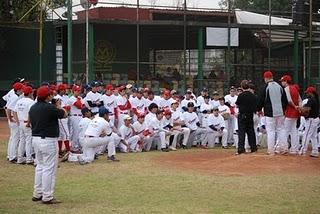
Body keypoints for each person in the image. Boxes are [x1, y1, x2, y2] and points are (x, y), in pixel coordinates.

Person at [29, 86, 67, 204]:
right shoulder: (50, 107)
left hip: (35, 138)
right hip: (48, 140)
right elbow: (64, 114)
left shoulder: (33, 107)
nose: (52, 96)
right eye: (50, 94)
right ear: (48, 96)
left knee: (40, 166)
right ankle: (47, 196)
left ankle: (37, 193)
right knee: (49, 169)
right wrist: (59, 105)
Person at [258, 71, 288, 155]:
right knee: (281, 129)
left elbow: (261, 99)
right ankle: (284, 148)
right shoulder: (279, 86)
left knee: (271, 131)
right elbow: (285, 100)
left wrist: (259, 109)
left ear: (266, 78)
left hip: (270, 113)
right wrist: (283, 109)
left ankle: (271, 150)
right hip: (280, 112)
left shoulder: (265, 87)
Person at [280, 75, 302, 155]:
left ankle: (284, 148)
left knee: (285, 130)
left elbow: (289, 100)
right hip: (296, 113)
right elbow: (300, 100)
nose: (282, 82)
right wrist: (299, 108)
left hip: (289, 112)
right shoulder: (295, 88)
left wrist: (294, 106)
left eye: (282, 81)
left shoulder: (286, 88)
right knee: (294, 131)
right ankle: (294, 149)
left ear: (286, 81)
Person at [13, 85, 35, 164]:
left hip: (21, 122)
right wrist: (29, 123)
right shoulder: (31, 102)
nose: (32, 93)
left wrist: (17, 121)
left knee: (22, 140)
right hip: (27, 123)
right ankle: (29, 159)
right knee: (28, 141)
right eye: (32, 92)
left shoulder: (19, 101)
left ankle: (20, 158)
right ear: (29, 93)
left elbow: (14, 111)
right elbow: (31, 113)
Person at [235, 80, 258, 155]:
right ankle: (253, 148)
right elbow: (255, 105)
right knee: (251, 132)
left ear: (242, 87)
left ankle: (241, 149)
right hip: (250, 115)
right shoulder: (253, 95)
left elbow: (237, 104)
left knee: (241, 133)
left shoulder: (241, 95)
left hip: (242, 115)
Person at [299, 86, 319, 157]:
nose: (307, 94)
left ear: (311, 93)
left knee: (307, 135)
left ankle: (302, 151)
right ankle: (315, 151)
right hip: (315, 119)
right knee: (313, 136)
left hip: (311, 120)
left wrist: (299, 108)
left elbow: (306, 109)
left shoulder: (311, 99)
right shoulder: (316, 99)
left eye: (308, 93)